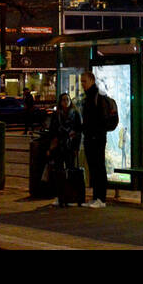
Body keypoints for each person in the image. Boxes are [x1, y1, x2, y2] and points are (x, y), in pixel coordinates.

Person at [48, 92, 83, 207]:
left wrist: (76, 147)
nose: (65, 101)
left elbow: (78, 131)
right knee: (59, 172)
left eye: (67, 99)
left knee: (70, 170)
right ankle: (60, 196)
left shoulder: (75, 113)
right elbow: (52, 130)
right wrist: (52, 144)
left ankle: (71, 196)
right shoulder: (57, 114)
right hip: (59, 145)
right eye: (63, 99)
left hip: (70, 146)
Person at [79, 69, 108, 208]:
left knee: (98, 167)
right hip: (90, 136)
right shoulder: (88, 97)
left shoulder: (97, 97)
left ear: (91, 80)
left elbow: (99, 118)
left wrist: (94, 131)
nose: (82, 84)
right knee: (93, 167)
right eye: (81, 82)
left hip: (97, 137)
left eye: (84, 81)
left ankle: (101, 198)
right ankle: (96, 197)